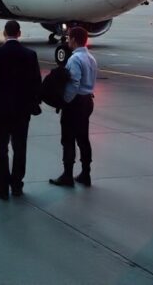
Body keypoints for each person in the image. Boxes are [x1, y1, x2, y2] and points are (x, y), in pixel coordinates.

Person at [0, 20, 41, 200]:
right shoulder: (30, 55)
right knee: (19, 147)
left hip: (0, 109)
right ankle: (17, 185)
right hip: (22, 110)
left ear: (4, 33)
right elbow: (36, 83)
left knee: (0, 148)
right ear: (19, 33)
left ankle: (2, 186)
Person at [50, 26, 98, 188]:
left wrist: (65, 100)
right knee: (83, 138)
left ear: (74, 40)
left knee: (68, 139)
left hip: (75, 102)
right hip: (87, 100)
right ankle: (86, 173)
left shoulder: (74, 59)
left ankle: (67, 175)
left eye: (69, 38)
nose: (68, 40)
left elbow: (74, 82)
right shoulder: (91, 58)